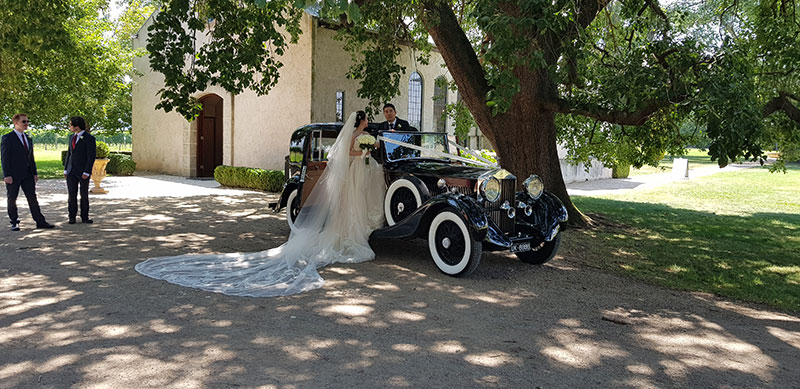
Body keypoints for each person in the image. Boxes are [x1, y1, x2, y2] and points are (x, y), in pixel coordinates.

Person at [135, 111, 386, 297]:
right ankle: (346, 235)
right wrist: (364, 151)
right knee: (349, 206)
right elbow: (343, 155)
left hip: (357, 174)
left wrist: (367, 150)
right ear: (361, 122)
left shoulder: (361, 135)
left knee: (354, 203)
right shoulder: (357, 138)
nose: (365, 124)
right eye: (365, 121)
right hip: (355, 171)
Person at [1, 114, 55, 231]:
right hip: (13, 175)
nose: (26, 124)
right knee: (12, 198)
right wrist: (7, 174)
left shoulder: (28, 138)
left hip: (28, 174)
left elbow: (31, 157)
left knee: (32, 198)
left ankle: (40, 221)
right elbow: (5, 158)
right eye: (24, 121)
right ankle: (14, 221)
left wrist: (34, 172)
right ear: (16, 123)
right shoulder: (7, 138)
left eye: (27, 121)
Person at [63, 116, 96, 224]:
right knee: (71, 195)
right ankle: (72, 216)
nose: (69, 127)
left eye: (70, 125)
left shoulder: (89, 138)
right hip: (71, 171)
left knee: (84, 195)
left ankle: (85, 217)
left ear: (77, 126)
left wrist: (87, 171)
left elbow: (91, 157)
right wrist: (65, 169)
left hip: (83, 172)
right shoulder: (71, 137)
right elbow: (69, 154)